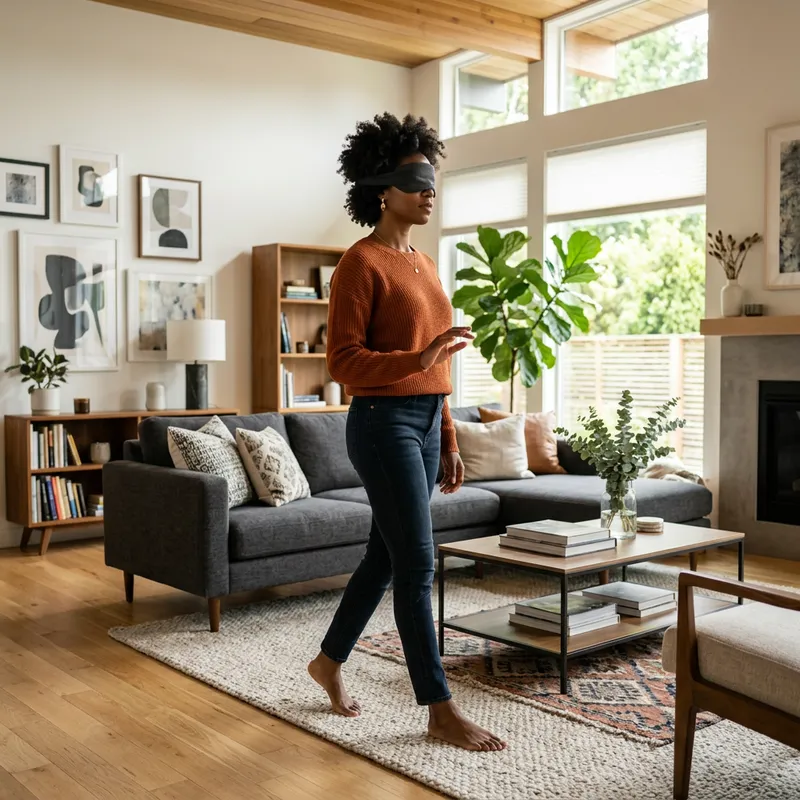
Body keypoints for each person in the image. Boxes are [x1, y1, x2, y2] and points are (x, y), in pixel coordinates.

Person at [307, 113, 507, 752]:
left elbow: (437, 360)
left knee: (385, 556)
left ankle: (328, 661)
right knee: (418, 565)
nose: (430, 191)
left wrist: (446, 432)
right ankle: (439, 709)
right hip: (380, 425)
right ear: (382, 189)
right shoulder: (357, 266)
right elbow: (342, 362)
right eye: (416, 180)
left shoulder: (423, 263)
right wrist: (414, 363)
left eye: (432, 179)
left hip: (423, 425)